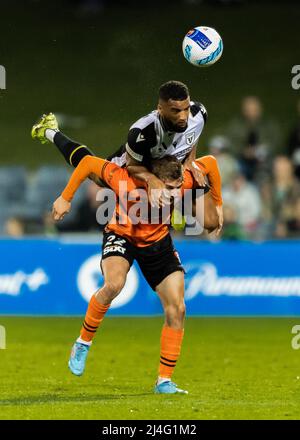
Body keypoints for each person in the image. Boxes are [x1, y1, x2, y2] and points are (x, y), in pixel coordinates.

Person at [50, 152, 222, 395]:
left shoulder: (184, 179)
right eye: (169, 189)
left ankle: (164, 381)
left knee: (178, 308)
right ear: (153, 181)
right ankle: (83, 342)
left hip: (158, 241)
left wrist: (219, 203)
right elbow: (88, 162)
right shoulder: (124, 179)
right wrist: (65, 197)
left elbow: (212, 163)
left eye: (177, 188)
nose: (174, 194)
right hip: (122, 234)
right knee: (113, 285)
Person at [32, 80, 210, 208]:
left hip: (165, 166)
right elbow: (133, 166)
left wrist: (190, 161)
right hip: (136, 162)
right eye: (176, 111)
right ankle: (49, 130)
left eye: (186, 109)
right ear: (160, 109)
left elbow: (193, 133)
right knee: (96, 175)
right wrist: (151, 179)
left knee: (200, 200)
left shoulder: (198, 114)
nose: (183, 116)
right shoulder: (142, 133)